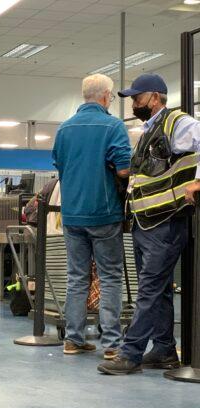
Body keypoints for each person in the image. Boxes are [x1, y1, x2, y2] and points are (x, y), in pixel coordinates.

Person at [99, 73, 200, 375]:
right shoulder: (147, 130)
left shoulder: (178, 122)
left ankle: (130, 353)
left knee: (150, 290)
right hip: (146, 222)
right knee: (158, 290)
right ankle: (164, 350)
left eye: (137, 98)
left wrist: (198, 181)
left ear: (154, 97)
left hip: (166, 223)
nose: (133, 104)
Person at [52, 74, 131, 359]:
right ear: (105, 95)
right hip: (104, 212)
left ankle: (73, 339)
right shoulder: (113, 125)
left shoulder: (64, 129)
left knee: (77, 277)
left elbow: (60, 165)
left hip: (72, 214)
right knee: (110, 277)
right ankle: (111, 343)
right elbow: (124, 169)